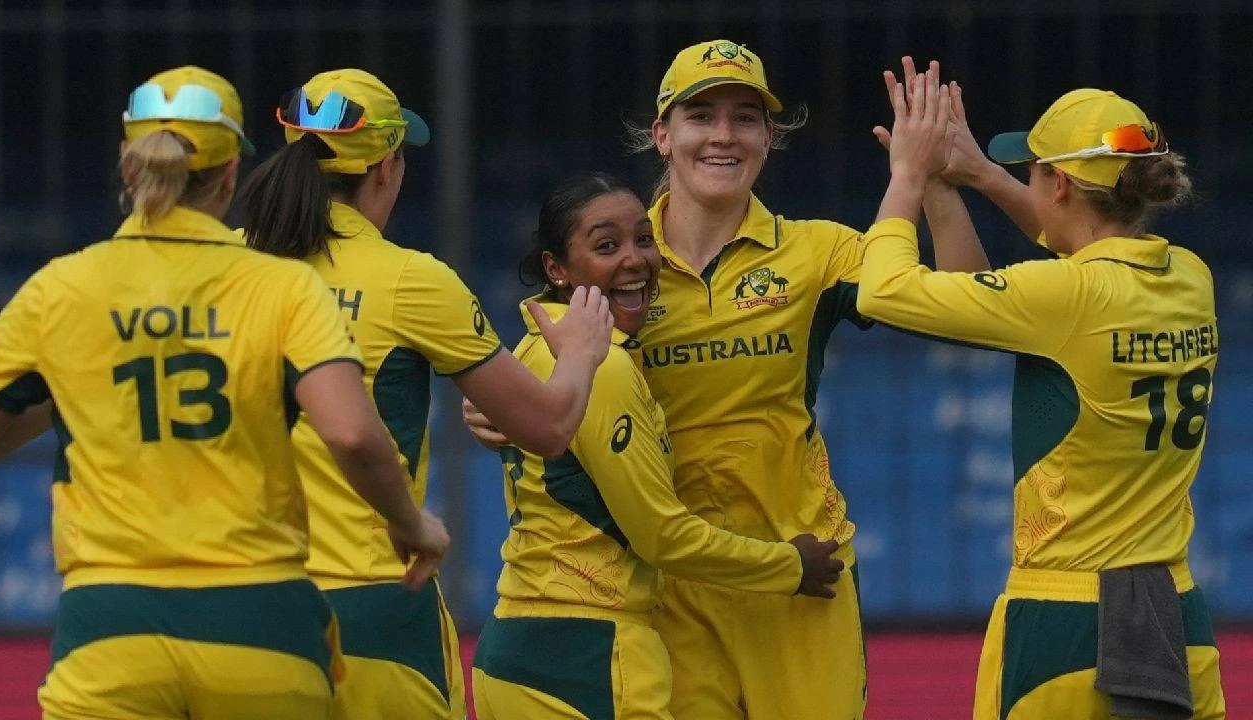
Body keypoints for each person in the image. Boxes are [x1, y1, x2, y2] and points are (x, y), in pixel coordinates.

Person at [464, 44, 987, 720]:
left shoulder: (818, 252)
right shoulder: (615, 253)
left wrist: (935, 184)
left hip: (804, 577)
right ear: (663, 134)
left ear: (768, 139)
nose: (722, 135)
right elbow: (539, 380)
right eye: (700, 114)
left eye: (745, 118)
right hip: (672, 589)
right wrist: (505, 418)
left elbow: (970, 312)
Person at [0, 66, 448, 720]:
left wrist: (83, 391)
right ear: (231, 174)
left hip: (112, 622)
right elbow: (350, 431)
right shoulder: (278, 285)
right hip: (259, 619)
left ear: (126, 161)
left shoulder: (63, 288)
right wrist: (412, 525)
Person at [238, 69, 614, 720]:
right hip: (375, 604)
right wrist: (580, 352)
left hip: (245, 608)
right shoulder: (409, 281)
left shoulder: (226, 268)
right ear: (387, 166)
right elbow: (549, 428)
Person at [863, 67, 1226, 719]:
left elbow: (882, 290)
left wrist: (909, 177)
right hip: (1175, 611)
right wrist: (969, 179)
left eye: (1031, 170)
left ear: (1057, 184)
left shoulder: (1064, 297)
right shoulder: (1188, 277)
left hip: (1064, 619)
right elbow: (1051, 252)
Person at [470, 172, 847, 720]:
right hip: (591, 656)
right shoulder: (602, 365)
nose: (635, 259)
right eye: (606, 245)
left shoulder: (533, 347)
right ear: (556, 268)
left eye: (644, 240)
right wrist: (791, 566)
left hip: (522, 647)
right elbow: (661, 535)